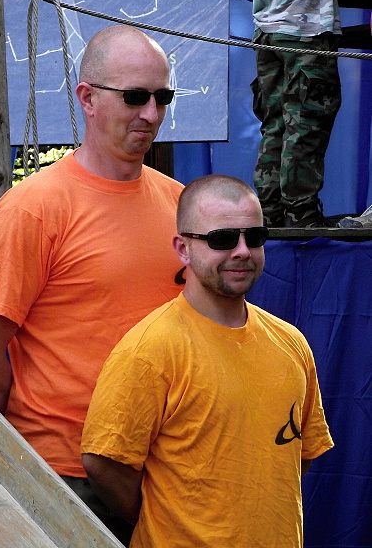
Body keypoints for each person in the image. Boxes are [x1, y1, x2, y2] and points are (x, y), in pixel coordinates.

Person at [0, 24, 184, 545]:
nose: (151, 113)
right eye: (135, 97)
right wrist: (37, 435)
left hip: (167, 473)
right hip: (68, 477)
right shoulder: (34, 208)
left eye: (162, 97)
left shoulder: (180, 204)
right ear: (88, 98)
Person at [81, 174, 334, 548]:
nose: (242, 251)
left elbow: (299, 455)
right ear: (183, 248)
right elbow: (104, 463)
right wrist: (166, 520)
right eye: (223, 238)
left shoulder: (290, 342)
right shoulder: (149, 350)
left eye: (255, 237)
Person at [237, 0, 372, 227]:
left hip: (267, 36)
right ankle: (301, 214)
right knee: (307, 122)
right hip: (305, 32)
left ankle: (268, 213)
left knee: (275, 124)